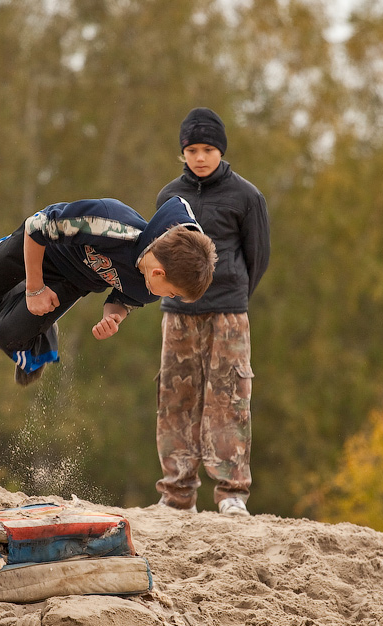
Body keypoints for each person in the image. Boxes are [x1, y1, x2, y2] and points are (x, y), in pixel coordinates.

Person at [0, 196, 217, 385]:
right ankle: (9, 279)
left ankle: (43, 332)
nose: (168, 298)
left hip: (71, 282)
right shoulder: (111, 225)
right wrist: (35, 289)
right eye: (172, 293)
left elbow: (123, 301)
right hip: (40, 247)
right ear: (159, 272)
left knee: (6, 334)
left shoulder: (150, 287)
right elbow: (36, 227)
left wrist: (113, 316)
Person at [154, 107, 270, 517]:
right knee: (175, 399)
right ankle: (176, 494)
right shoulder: (169, 196)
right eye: (192, 149)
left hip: (228, 315)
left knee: (229, 400)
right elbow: (157, 255)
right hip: (178, 314)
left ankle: (231, 493)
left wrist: (231, 294)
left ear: (220, 150)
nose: (200, 157)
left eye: (208, 149)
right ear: (182, 152)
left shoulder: (247, 196)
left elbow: (258, 256)